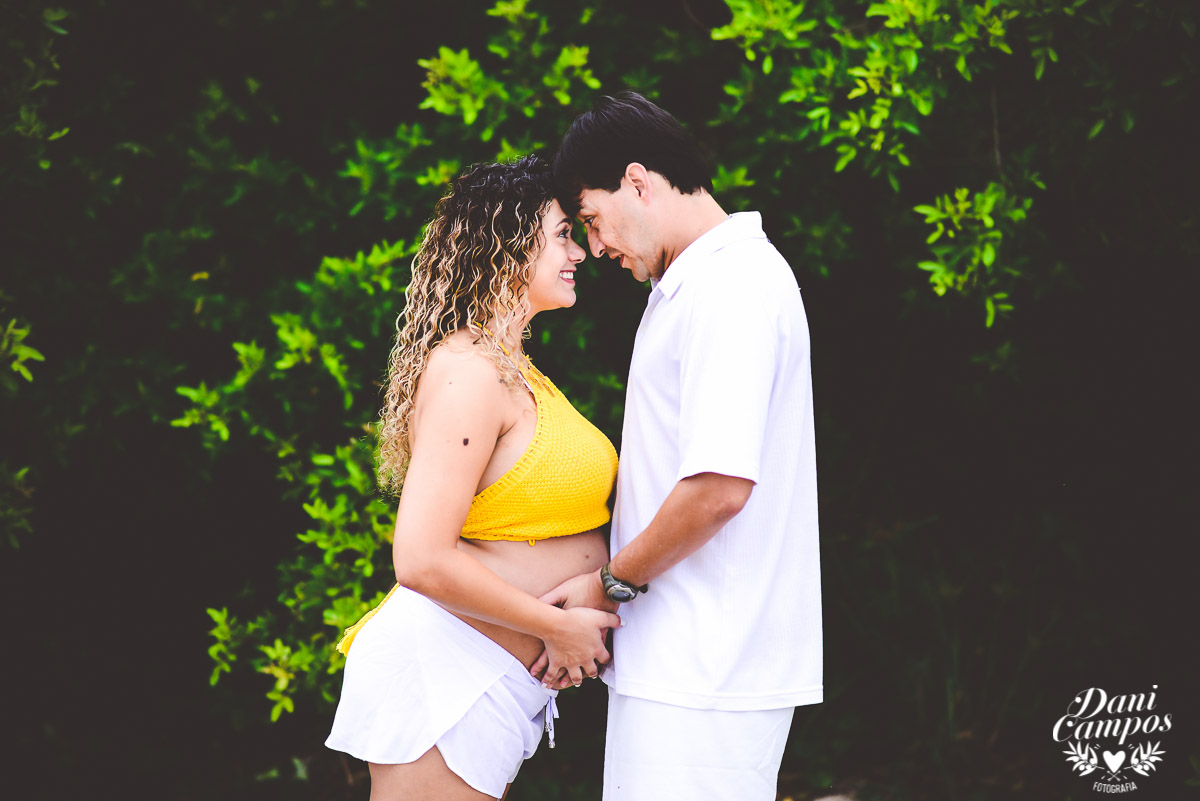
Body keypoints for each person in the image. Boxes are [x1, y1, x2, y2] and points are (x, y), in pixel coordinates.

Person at [536, 92, 823, 800]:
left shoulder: (731, 285)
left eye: (594, 221)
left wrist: (609, 583)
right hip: (687, 664)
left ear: (639, 181)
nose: (596, 248)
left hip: (709, 670)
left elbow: (719, 487)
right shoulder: (698, 284)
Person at [325, 155, 622, 801]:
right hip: (445, 668)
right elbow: (421, 558)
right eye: (562, 234)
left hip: (485, 674)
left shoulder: (517, 369)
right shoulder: (469, 371)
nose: (579, 251)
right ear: (507, 245)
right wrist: (556, 627)